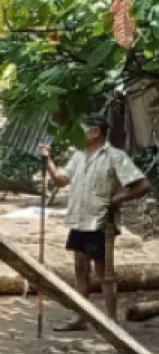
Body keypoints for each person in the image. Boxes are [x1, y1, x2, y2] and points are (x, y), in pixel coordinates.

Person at [41, 114, 152, 330]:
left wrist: (118, 198)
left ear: (95, 132)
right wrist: (48, 159)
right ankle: (81, 317)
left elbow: (143, 185)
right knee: (80, 270)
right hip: (79, 221)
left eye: (83, 129)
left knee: (105, 275)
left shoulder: (115, 156)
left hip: (100, 224)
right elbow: (60, 180)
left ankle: (111, 322)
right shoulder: (78, 156)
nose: (79, 133)